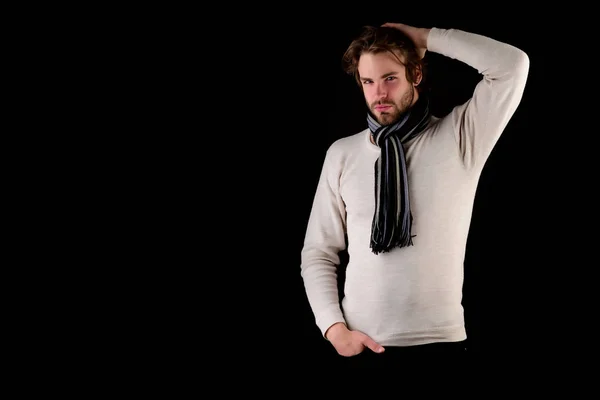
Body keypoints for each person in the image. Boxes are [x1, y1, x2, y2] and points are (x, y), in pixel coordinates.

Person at [299, 22, 529, 362]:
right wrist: (333, 329)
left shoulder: (460, 137)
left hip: (442, 342)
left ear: (415, 74)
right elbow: (318, 251)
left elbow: (512, 65)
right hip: (363, 344)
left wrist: (425, 37)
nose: (378, 93)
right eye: (368, 81)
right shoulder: (342, 155)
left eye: (390, 78)